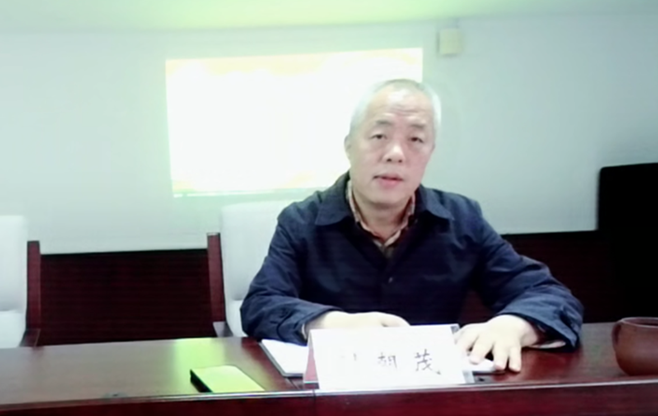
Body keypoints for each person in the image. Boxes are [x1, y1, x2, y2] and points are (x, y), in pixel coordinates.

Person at [240, 79, 584, 371]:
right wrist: (334, 323)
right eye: (379, 136)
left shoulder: (462, 219)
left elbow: (548, 295)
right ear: (349, 146)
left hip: (434, 399)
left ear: (430, 152)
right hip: (335, 401)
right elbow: (261, 304)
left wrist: (515, 326)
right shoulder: (301, 221)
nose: (396, 153)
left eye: (416, 140)